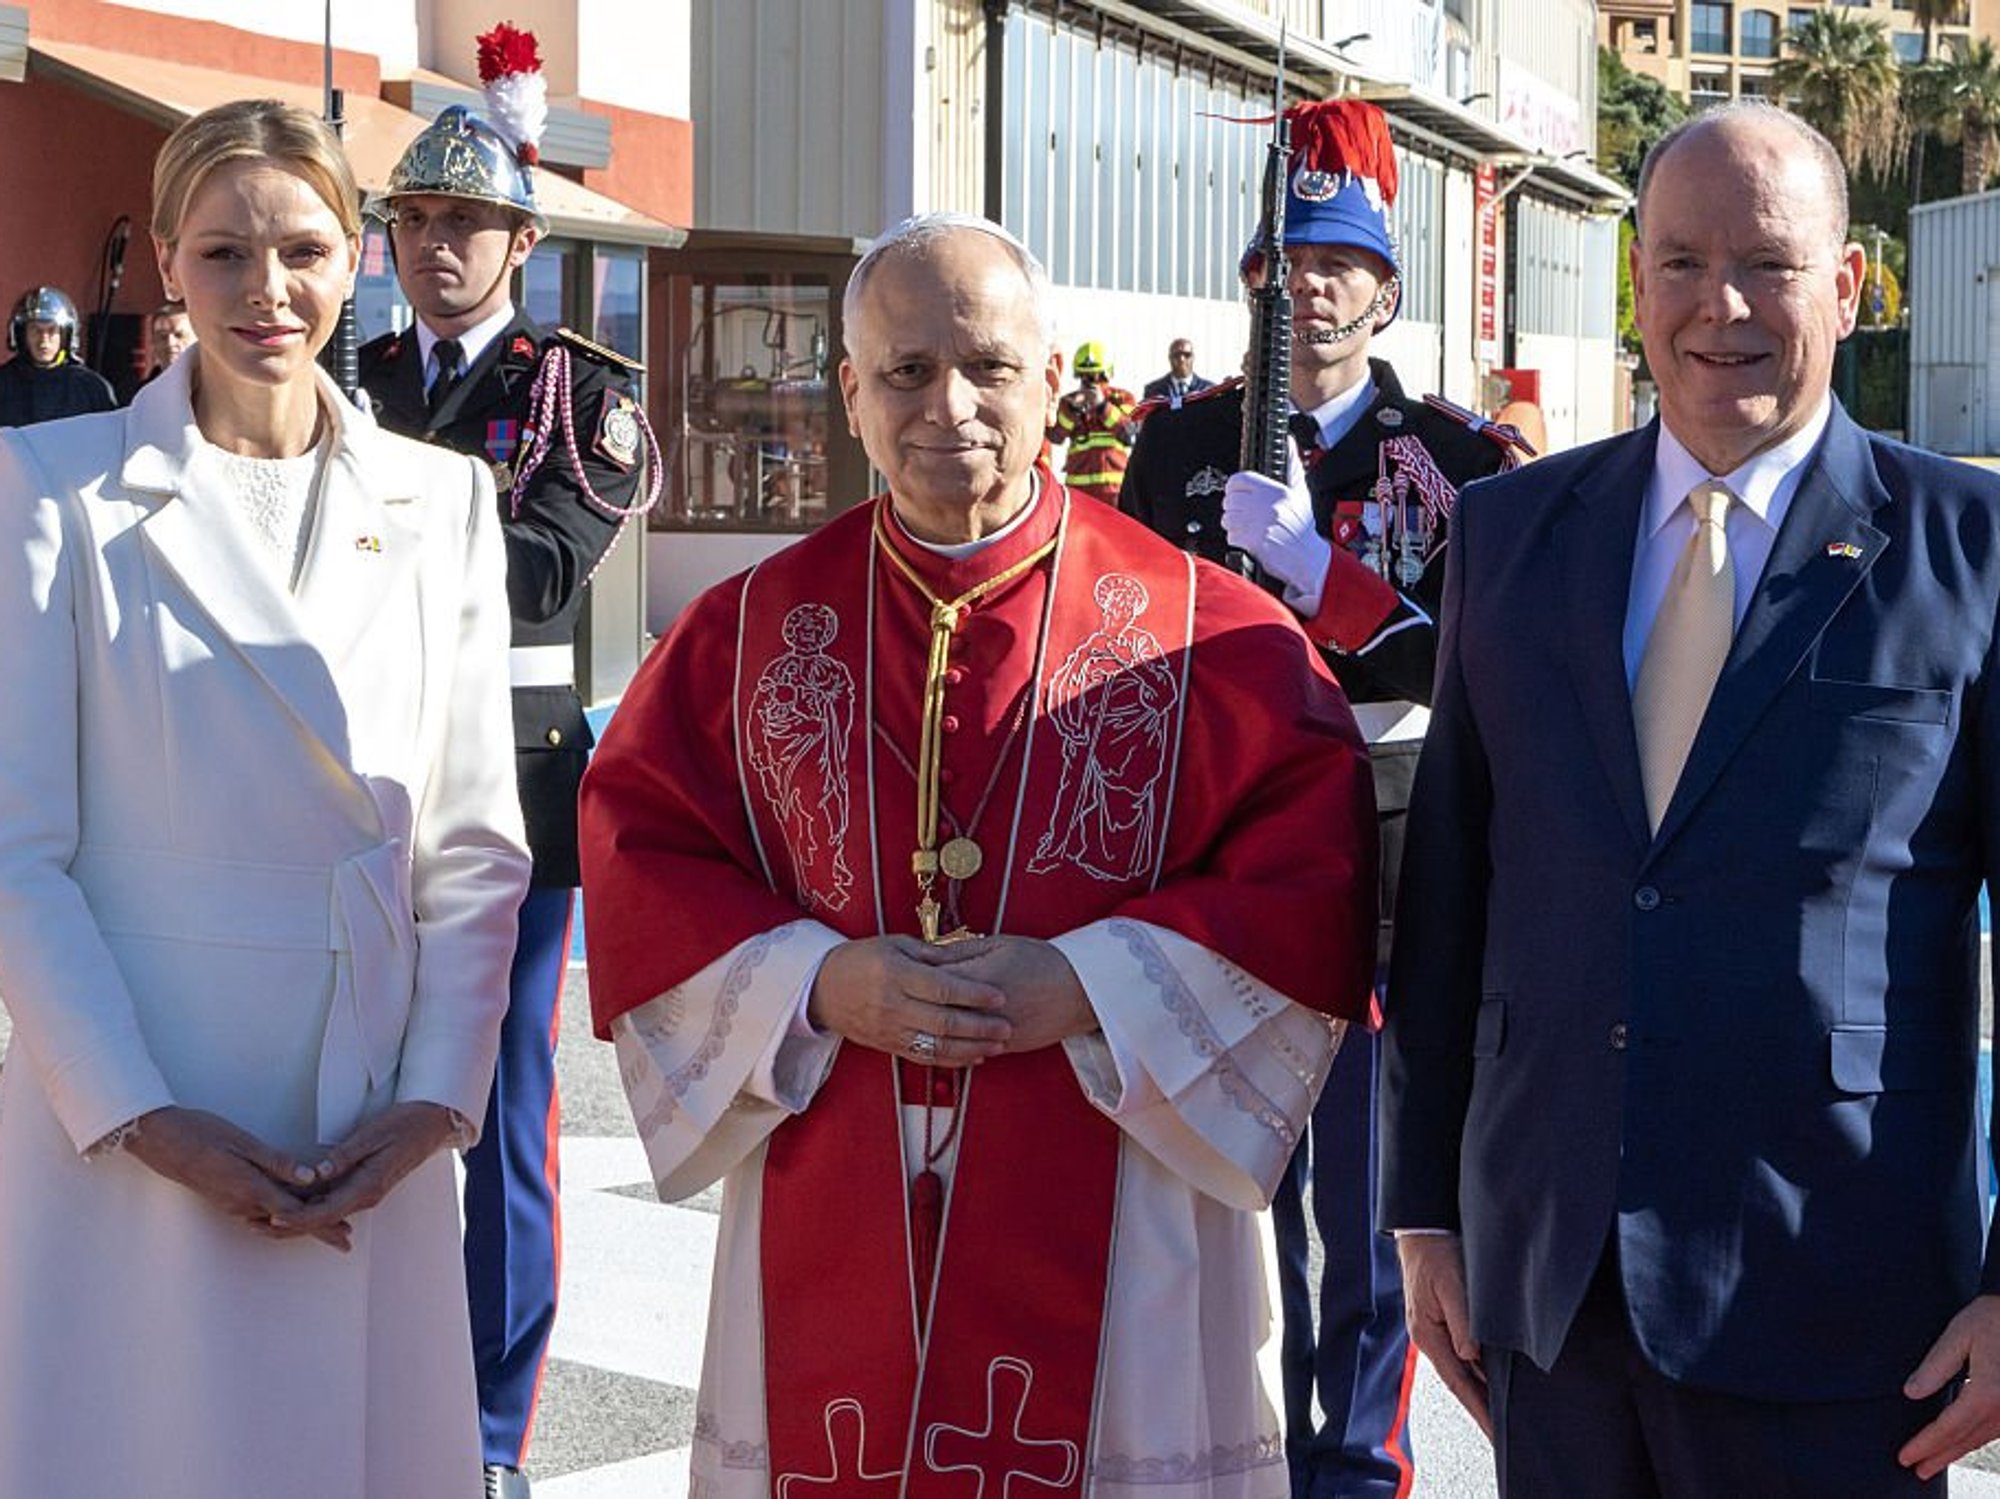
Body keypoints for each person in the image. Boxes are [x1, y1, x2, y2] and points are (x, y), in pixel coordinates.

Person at [579, 213, 1379, 1495]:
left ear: (1049, 378)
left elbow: (1310, 879)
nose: (948, 404)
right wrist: (816, 981)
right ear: (849, 394)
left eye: (988, 366)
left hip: (1120, 1188)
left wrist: (1087, 983)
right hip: (830, 1160)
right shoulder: (746, 633)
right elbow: (640, 850)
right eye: (904, 371)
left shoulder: (1210, 636)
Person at [1382, 101, 2000, 1496]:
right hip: (1554, 1295)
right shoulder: (1509, 537)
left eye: (1768, 264)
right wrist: (1423, 1210)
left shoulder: (1972, 550)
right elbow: (1449, 902)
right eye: (1677, 262)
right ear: (1638, 284)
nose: (1719, 306)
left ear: (1848, 287)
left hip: (1842, 1308)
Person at [0, 98, 528, 1496]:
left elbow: (475, 846)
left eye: (300, 246)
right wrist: (134, 1107)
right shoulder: (54, 487)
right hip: (134, 1103)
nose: (267, 289)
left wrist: (433, 1101)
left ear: (354, 253)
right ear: (168, 259)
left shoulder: (444, 502)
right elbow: (17, 849)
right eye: (224, 251)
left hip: (369, 1118)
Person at [1119, 96, 1528, 1499]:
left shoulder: (1460, 461)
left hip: (1380, 858)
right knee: (1204, 1200)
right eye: (1282, 263)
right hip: (1208, 852)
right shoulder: (1176, 444)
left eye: (1334, 264)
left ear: (1385, 288)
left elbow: (1469, 666)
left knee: (1360, 1218)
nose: (1305, 287)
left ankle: (1351, 1471)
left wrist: (1318, 570)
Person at [359, 27, 654, 1499]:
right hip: (348, 788)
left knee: (499, 1117)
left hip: (510, 801)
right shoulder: (344, 375)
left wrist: (384, 515)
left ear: (524, 239)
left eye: (465, 222)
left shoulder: (574, 394)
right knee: (344, 1095)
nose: (435, 247)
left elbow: (544, 569)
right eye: (411, 222)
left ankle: (489, 1429)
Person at [0, 285, 116, 425]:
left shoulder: (91, 388)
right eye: (35, 330)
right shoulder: (4, 384)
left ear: (66, 336)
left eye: (52, 331)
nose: (44, 340)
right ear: (20, 334)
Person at [1046, 338, 1139, 499]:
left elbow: (1129, 434)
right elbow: (1056, 436)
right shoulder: (1069, 402)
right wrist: (1072, 413)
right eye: (1084, 376)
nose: (1089, 381)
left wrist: (1103, 406)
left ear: (1105, 374)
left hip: (1113, 491)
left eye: (1095, 376)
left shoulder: (1122, 398)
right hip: (1078, 491)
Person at [138, 299, 196, 386]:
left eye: (179, 335)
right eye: (162, 336)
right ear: (153, 343)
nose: (170, 343)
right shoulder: (143, 395)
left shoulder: (214, 388)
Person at [1141, 337, 1212, 407]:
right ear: (1170, 358)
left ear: (1193, 357)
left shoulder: (1208, 390)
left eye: (1187, 355)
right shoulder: (1152, 391)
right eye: (1176, 355)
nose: (1182, 359)